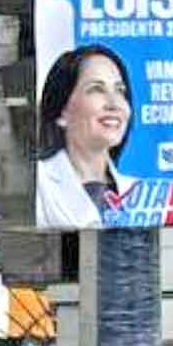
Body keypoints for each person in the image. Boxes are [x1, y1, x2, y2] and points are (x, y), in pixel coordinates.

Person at [36, 45, 138, 229]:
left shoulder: (139, 192)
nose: (114, 104)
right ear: (62, 112)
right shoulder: (39, 183)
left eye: (120, 90)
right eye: (97, 89)